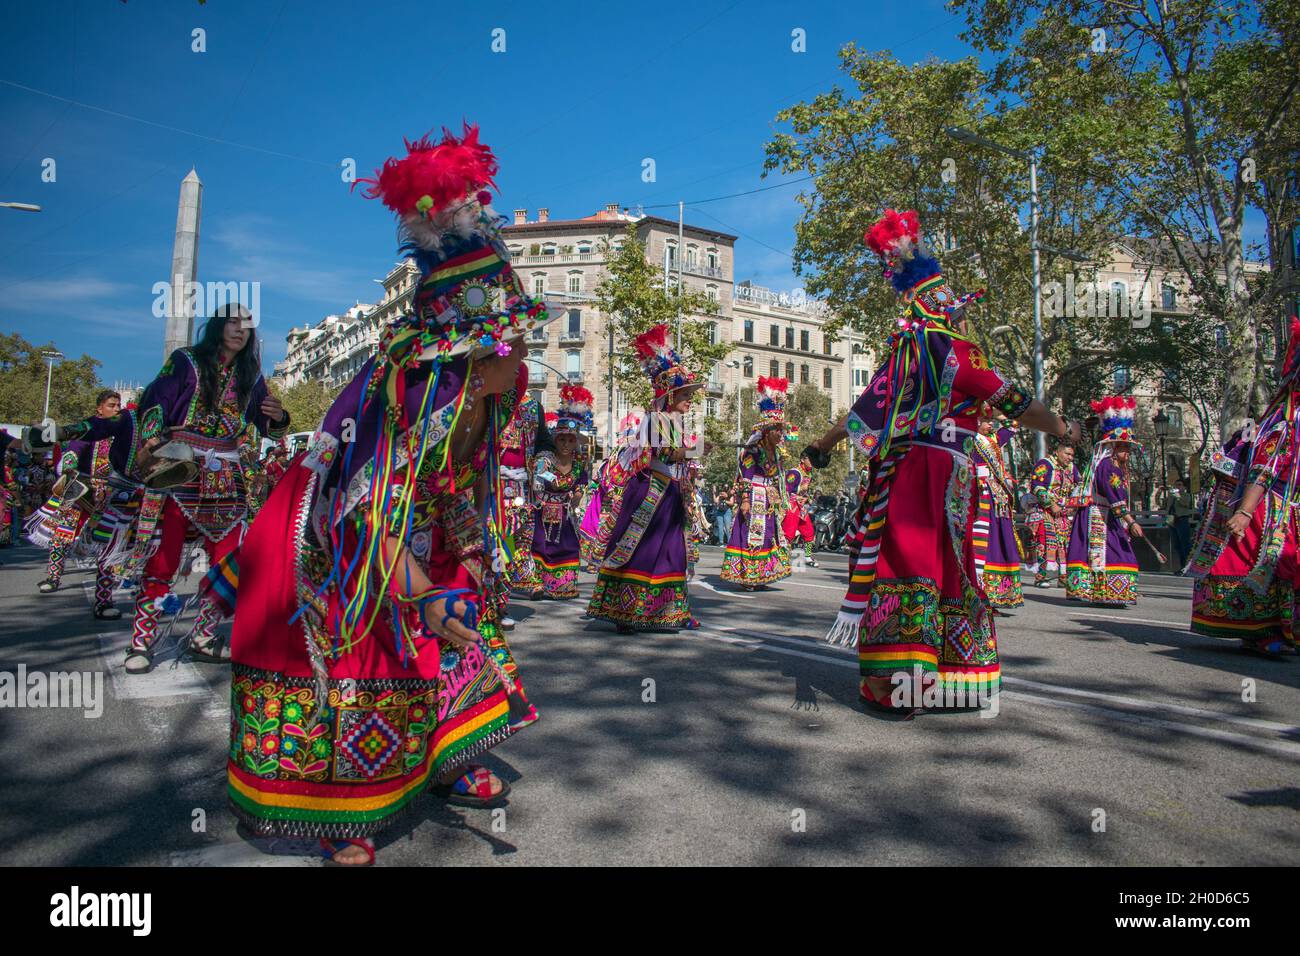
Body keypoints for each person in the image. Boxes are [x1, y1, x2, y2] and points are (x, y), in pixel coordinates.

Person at [200, 125, 554, 864]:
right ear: (466, 347)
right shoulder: (408, 398)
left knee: (461, 623)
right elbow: (371, 517)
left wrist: (472, 556)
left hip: (419, 532)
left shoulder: (492, 389)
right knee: (363, 651)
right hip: (344, 546)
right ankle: (338, 808)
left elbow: (457, 481)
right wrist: (423, 593)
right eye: (509, 342)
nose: (522, 354)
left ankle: (442, 761)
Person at [804, 208, 1081, 714]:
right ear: (947, 309)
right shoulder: (958, 354)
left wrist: (819, 448)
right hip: (945, 472)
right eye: (958, 309)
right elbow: (1013, 400)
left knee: (906, 561)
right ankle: (938, 674)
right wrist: (1064, 428)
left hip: (903, 472)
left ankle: (894, 680)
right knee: (944, 565)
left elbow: (856, 419)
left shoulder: (901, 360)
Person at [109, 303, 290, 672]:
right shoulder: (185, 361)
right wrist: (152, 442)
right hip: (179, 466)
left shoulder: (251, 375)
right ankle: (141, 641)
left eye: (247, 326)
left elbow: (267, 424)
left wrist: (279, 416)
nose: (240, 331)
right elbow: (155, 402)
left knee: (226, 561)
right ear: (219, 326)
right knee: (163, 555)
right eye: (233, 323)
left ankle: (204, 635)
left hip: (226, 471)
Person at [1187, 319, 1300, 659]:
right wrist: (1245, 511)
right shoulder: (1283, 423)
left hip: (1290, 507)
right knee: (1268, 562)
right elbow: (1265, 470)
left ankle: (1285, 629)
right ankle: (1261, 631)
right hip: (1271, 509)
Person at [586, 324, 702, 633]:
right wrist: (698, 450)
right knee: (642, 549)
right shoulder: (659, 419)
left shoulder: (673, 421)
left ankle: (673, 610)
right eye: (686, 394)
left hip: (669, 493)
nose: (690, 400)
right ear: (669, 395)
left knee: (672, 552)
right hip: (653, 493)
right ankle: (626, 609)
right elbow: (668, 455)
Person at [24, 389, 124, 617]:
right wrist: (68, 466)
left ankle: (103, 601)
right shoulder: (91, 428)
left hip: (109, 494)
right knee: (62, 534)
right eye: (111, 405)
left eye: (118, 405)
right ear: (99, 408)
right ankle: (53, 576)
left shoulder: (122, 432)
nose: (116, 409)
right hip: (80, 491)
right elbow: (74, 451)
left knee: (107, 545)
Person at [1065, 396, 1142, 606]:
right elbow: (1114, 495)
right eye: (1124, 447)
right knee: (1116, 552)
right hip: (1100, 515)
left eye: (1129, 447)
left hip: (1105, 513)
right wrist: (1131, 521)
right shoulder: (1108, 466)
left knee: (1115, 551)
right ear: (1114, 447)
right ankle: (1104, 592)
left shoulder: (1112, 466)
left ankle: (1104, 591)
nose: (1128, 451)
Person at [721, 377, 794, 589]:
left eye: (782, 429)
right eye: (777, 430)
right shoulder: (753, 451)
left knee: (768, 535)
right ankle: (748, 575)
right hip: (753, 498)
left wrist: (780, 497)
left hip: (768, 500)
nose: (781, 434)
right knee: (752, 535)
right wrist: (744, 500)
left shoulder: (777, 453)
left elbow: (778, 478)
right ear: (766, 431)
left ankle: (762, 574)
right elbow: (744, 476)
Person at [531, 385, 591, 599]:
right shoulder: (546, 457)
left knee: (568, 546)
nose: (566, 444)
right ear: (555, 440)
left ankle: (563, 585)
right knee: (540, 544)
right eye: (562, 439)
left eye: (570, 440)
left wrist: (577, 494)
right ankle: (539, 584)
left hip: (565, 516)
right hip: (542, 512)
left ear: (576, 442)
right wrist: (551, 481)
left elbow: (582, 483)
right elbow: (537, 476)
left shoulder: (579, 463)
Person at [972, 410, 1023, 610]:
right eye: (985, 421)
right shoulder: (971, 439)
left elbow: (1013, 426)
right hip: (982, 494)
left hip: (998, 498)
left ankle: (1000, 592)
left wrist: (1001, 416)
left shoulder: (993, 439)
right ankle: (981, 591)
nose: (990, 424)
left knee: (1002, 541)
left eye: (991, 421)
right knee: (985, 543)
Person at [1029, 439, 1080, 588]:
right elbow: (1037, 487)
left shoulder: (1072, 468)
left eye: (1072, 455)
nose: (1070, 458)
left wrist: (1074, 503)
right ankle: (1040, 576)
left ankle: (1064, 577)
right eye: (1067, 454)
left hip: (1064, 513)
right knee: (1045, 543)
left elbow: (1079, 485)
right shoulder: (1045, 464)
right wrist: (1051, 504)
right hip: (1045, 511)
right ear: (1057, 452)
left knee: (1065, 545)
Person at [1166, 477, 1195, 571]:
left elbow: (1186, 504)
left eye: (1179, 485)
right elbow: (1167, 506)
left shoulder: (1186, 495)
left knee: (1185, 544)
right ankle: (1182, 565)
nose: (1177, 487)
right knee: (1176, 545)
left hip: (1182, 519)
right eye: (1176, 485)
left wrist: (1178, 496)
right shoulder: (1171, 496)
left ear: (1184, 487)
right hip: (1172, 520)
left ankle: (1187, 566)